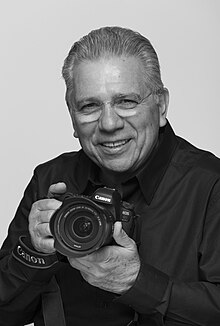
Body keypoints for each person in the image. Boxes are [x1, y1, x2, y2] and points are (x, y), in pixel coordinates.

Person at [0, 26, 220, 326]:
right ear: (73, 119)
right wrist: (35, 255)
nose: (108, 123)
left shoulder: (210, 185)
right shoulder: (51, 180)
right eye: (89, 106)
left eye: (126, 101)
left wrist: (138, 283)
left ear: (162, 105)